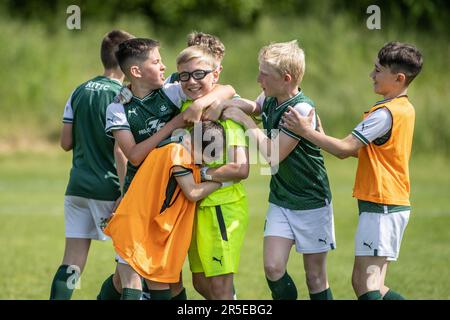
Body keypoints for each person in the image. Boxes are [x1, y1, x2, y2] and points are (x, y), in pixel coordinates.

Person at [96, 37, 235, 300]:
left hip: (170, 199)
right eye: (157, 61)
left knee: (166, 276)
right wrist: (175, 124)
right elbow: (134, 156)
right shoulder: (118, 108)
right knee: (129, 275)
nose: (163, 66)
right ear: (136, 72)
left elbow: (226, 88)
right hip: (139, 199)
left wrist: (197, 105)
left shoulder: (171, 91)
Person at [282, 41, 423, 300]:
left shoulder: (385, 114)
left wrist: (306, 131)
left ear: (399, 77)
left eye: (378, 70)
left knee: (366, 284)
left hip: (383, 204)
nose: (372, 75)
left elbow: (344, 149)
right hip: (387, 203)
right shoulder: (405, 108)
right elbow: (361, 151)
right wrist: (319, 135)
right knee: (371, 284)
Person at [221, 40, 335, 300]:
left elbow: (273, 155)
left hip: (311, 201)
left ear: (286, 79)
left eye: (264, 73)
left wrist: (245, 121)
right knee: (273, 267)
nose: (258, 77)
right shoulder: (270, 97)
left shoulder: (302, 109)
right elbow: (254, 105)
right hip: (281, 200)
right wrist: (225, 103)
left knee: (315, 277)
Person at [49, 30, 134, 300]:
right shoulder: (123, 96)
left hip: (77, 188)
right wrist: (126, 193)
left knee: (72, 262)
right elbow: (120, 149)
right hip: (110, 189)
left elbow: (65, 142)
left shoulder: (79, 90)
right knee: (129, 266)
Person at [103, 121, 225, 300]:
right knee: (131, 284)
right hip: (136, 225)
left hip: (149, 226)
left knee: (155, 282)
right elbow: (192, 192)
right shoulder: (179, 153)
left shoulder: (175, 149)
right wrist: (219, 183)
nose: (205, 162)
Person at [175, 45, 249, 300]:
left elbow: (241, 168)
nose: (191, 81)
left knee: (219, 288)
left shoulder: (227, 114)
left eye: (199, 74)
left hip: (222, 207)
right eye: (184, 76)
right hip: (195, 208)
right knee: (200, 282)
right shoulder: (185, 106)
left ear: (215, 75)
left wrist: (201, 173)